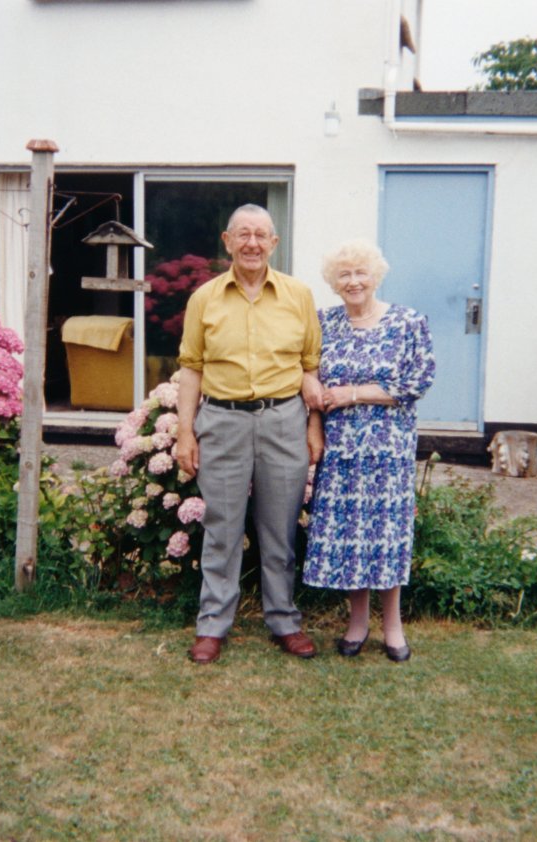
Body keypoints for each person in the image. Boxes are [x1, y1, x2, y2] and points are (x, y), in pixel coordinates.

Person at [174, 204, 325, 665]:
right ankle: (213, 625)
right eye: (243, 234)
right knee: (221, 528)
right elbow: (191, 367)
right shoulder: (205, 298)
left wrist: (313, 426)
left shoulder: (298, 295)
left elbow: (310, 365)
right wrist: (185, 433)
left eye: (261, 235)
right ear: (227, 241)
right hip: (223, 422)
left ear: (274, 243)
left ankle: (284, 620)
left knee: (279, 528)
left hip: (284, 421)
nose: (252, 243)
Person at [304, 239, 435, 662]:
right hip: (341, 449)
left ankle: (393, 626)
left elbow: (416, 382)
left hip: (387, 448)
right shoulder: (324, 323)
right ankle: (357, 622)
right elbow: (311, 381)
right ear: (334, 282)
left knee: (387, 533)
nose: (354, 281)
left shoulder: (407, 322)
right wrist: (317, 425)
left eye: (361, 273)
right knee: (350, 534)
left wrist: (353, 394)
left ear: (375, 276)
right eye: (345, 274)